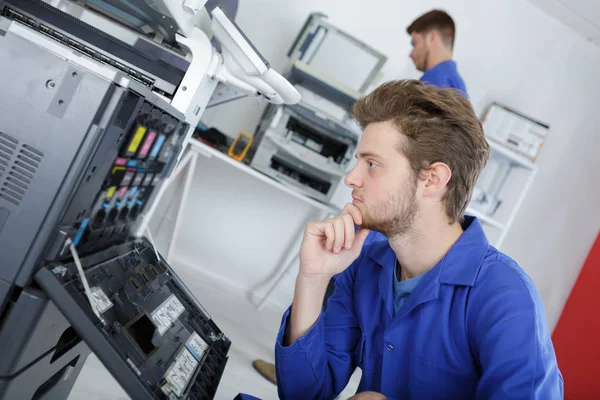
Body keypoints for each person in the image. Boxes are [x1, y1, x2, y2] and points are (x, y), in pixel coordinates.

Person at [273, 80, 563, 399]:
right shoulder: (363, 265)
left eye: (372, 164)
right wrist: (313, 279)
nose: (351, 178)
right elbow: (304, 395)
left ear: (432, 180)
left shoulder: (506, 297)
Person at [251, 9, 470, 386]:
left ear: (433, 37)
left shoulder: (437, 85)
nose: (413, 52)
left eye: (415, 42)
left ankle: (309, 357)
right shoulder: (454, 84)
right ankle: (307, 359)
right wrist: (311, 278)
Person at [407, 9, 466, 93]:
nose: (411, 54)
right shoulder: (457, 84)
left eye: (414, 43)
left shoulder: (431, 83)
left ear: (431, 38)